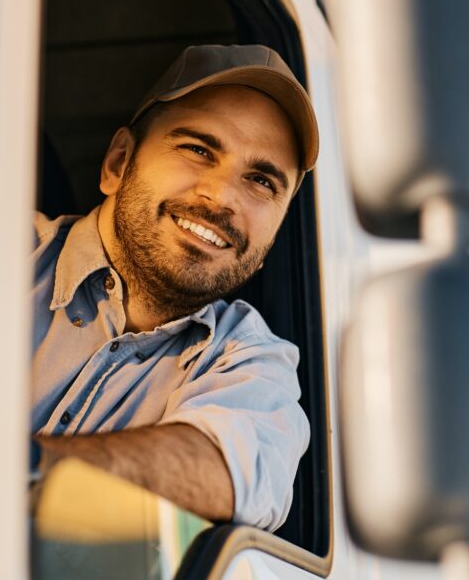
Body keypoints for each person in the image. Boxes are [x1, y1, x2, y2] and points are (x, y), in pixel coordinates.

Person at [30, 44, 318, 532]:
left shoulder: (251, 362)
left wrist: (3, 477)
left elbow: (231, 471)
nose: (223, 196)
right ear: (118, 164)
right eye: (199, 150)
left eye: (262, 181)